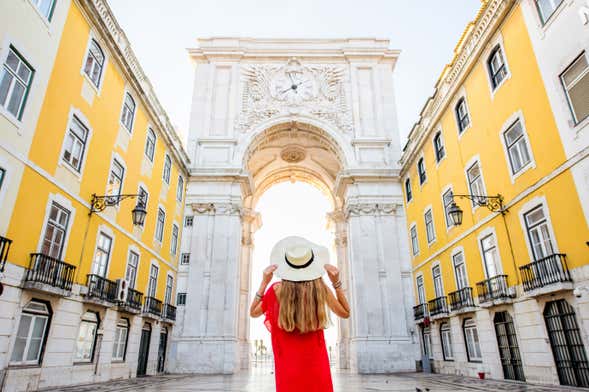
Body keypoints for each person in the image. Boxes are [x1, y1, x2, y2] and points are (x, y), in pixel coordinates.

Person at [250, 236, 351, 392]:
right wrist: (336, 283)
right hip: (316, 362)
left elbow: (253, 313)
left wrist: (264, 282)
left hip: (287, 364)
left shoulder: (276, 289)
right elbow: (345, 313)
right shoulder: (320, 288)